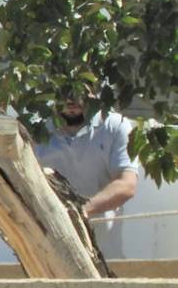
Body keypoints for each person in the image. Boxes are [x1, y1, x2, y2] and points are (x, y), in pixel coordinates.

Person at [33, 99, 139, 259]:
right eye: (63, 90)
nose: (70, 99)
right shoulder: (36, 130)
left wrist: (79, 212)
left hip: (104, 258)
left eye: (78, 90)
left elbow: (126, 185)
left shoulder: (116, 125)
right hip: (48, 256)